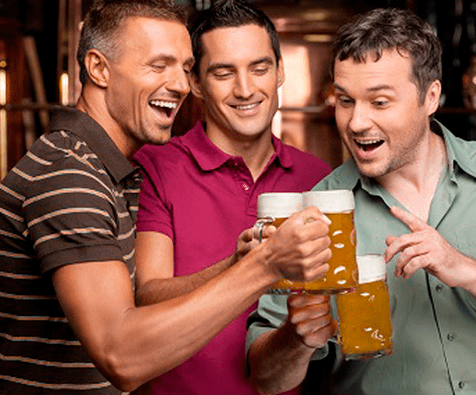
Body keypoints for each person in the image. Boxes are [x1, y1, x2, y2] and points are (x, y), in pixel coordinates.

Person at [0, 1, 332, 394]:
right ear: (98, 68)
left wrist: (239, 264)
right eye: (158, 66)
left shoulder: (108, 171)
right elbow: (121, 355)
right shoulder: (68, 176)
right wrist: (265, 265)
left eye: (184, 68)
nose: (177, 84)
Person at [246, 7, 476, 395]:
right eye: (345, 101)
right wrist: (294, 341)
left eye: (379, 102)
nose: (356, 122)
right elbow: (265, 379)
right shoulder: (317, 213)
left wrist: (465, 269)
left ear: (430, 96)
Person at [132, 1, 331, 394]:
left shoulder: (318, 177)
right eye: (224, 73)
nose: (245, 89)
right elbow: (147, 295)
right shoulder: (156, 166)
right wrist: (242, 266)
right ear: (196, 83)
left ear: (280, 72)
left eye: (259, 69)